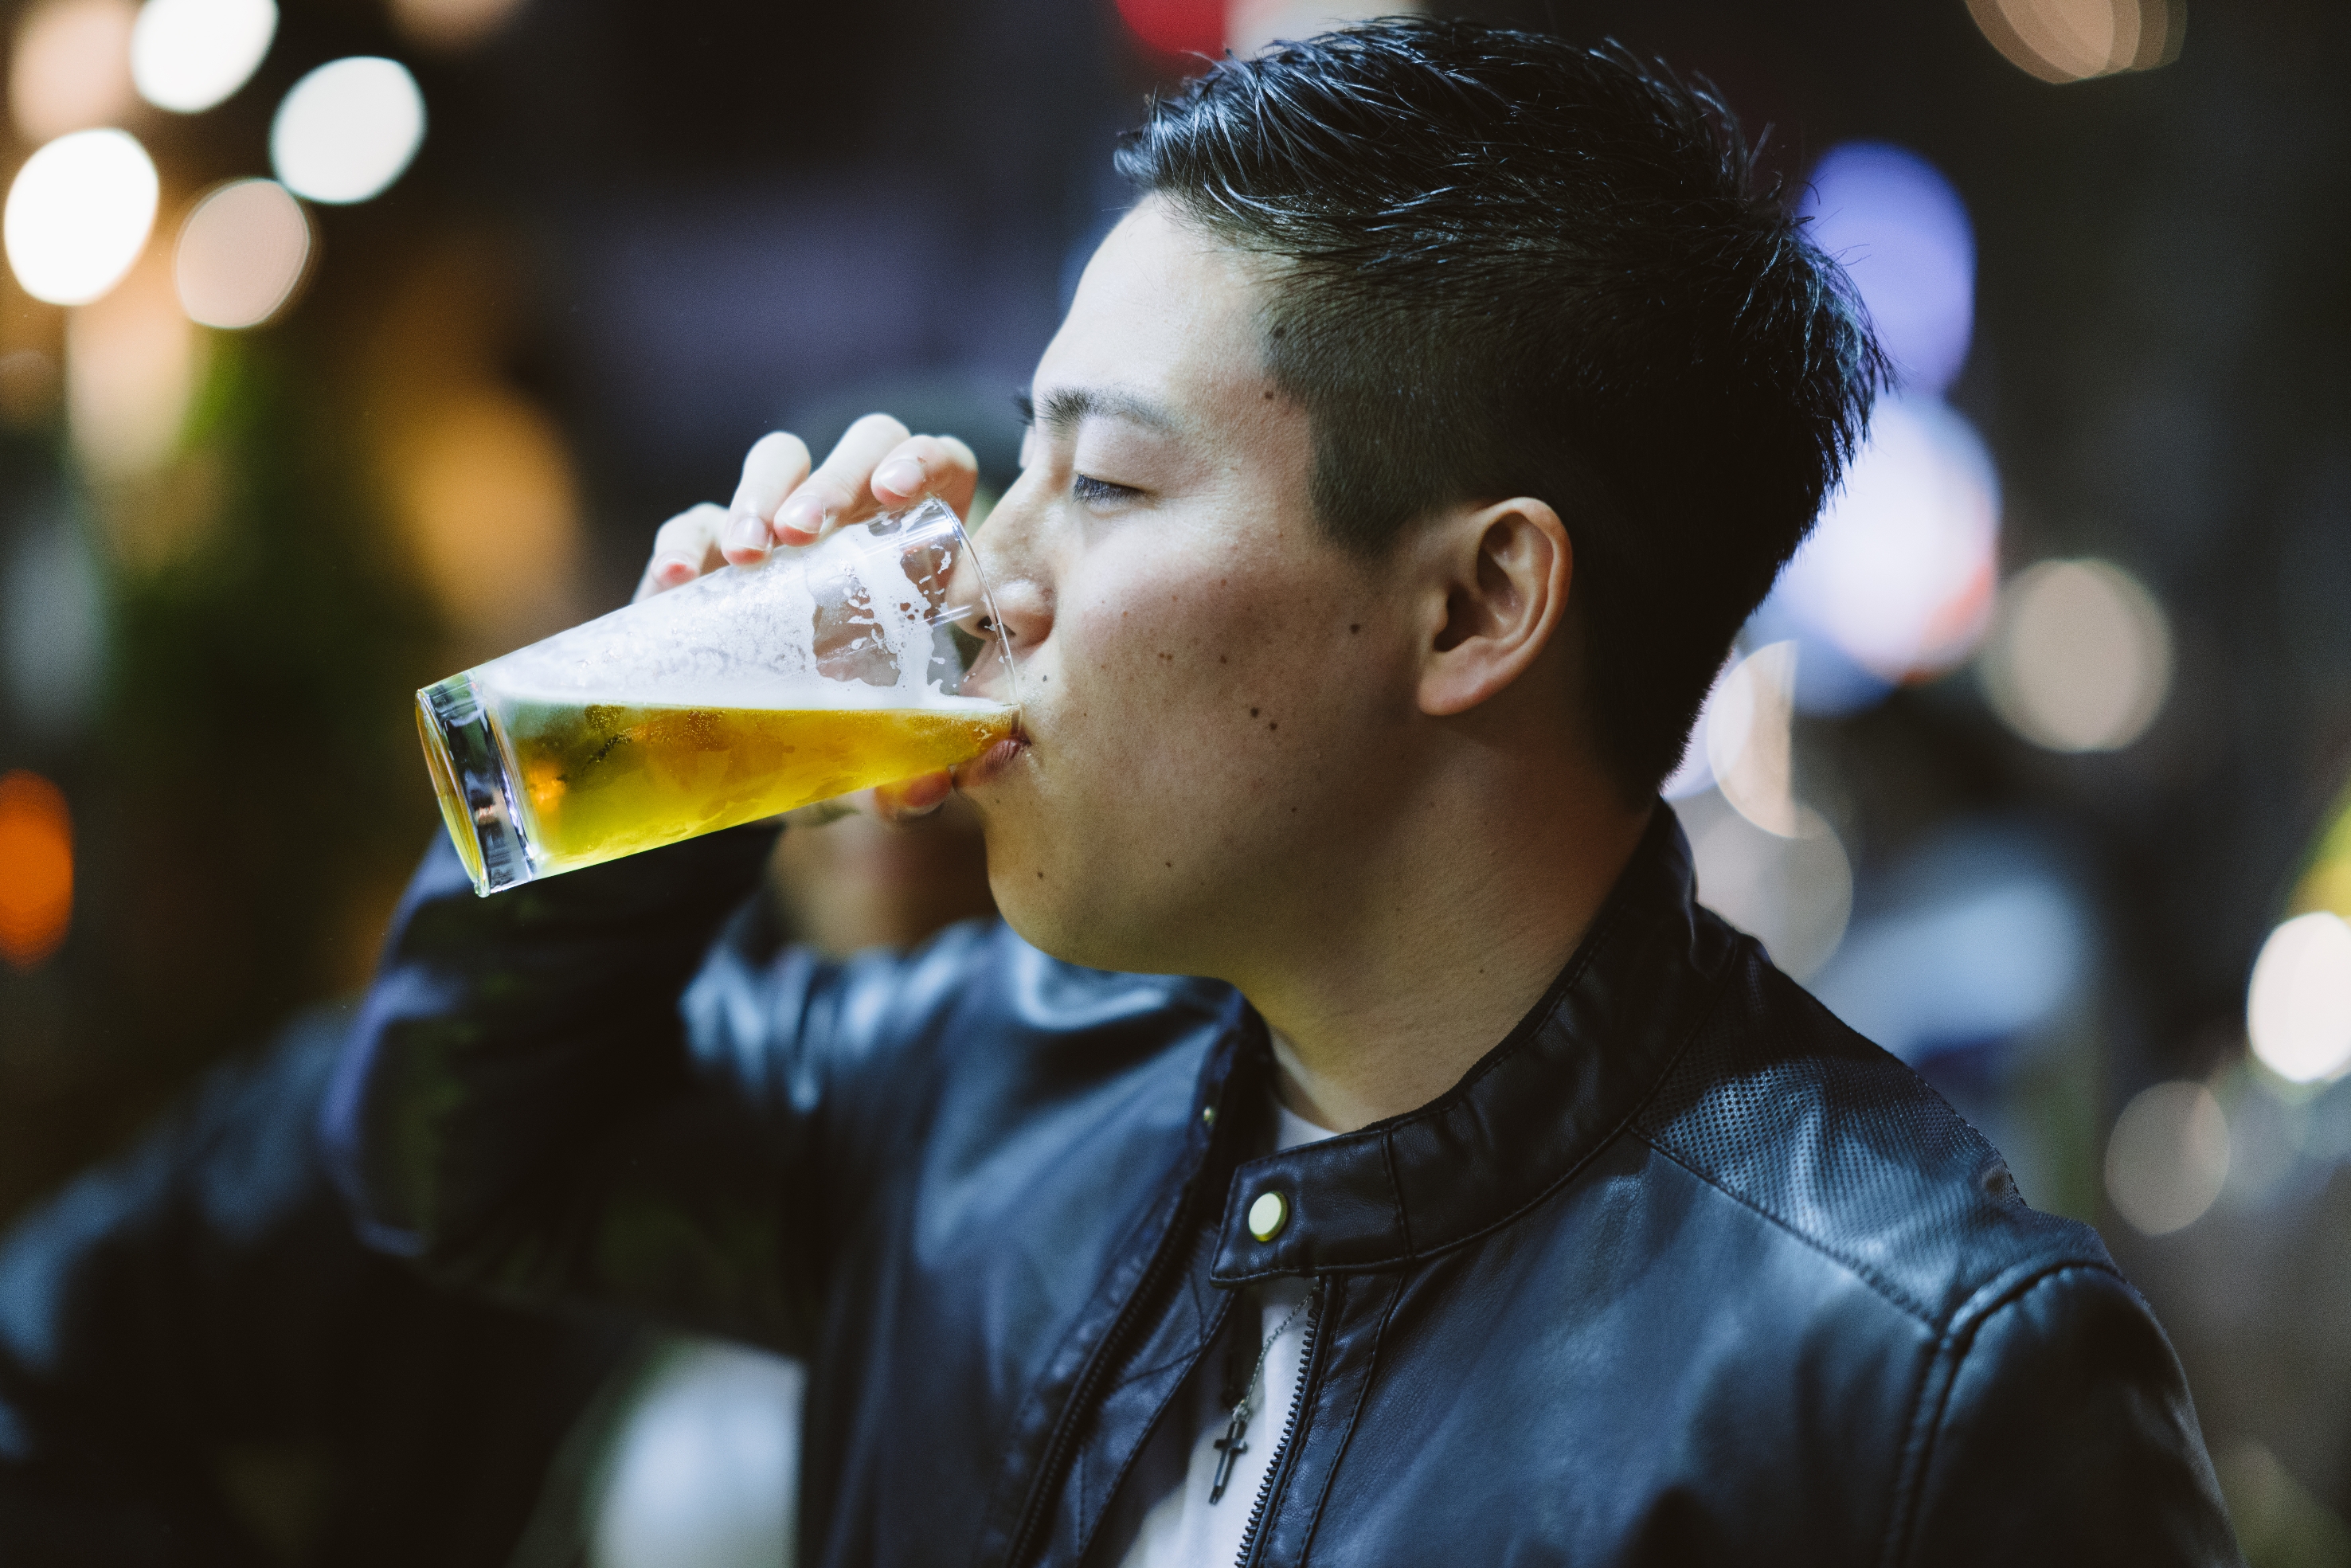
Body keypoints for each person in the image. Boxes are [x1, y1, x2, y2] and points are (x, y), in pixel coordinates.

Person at [327, 19, 2240, 1566]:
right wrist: (676, 709)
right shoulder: (986, 1085)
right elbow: (454, 1154)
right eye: (1023, 459)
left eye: (1102, 482)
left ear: (1479, 602)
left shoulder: (1912, 1377)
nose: (984, 569)